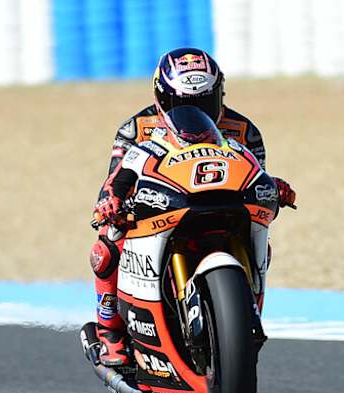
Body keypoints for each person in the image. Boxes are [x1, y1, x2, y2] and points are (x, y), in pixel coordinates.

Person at [87, 47, 296, 369]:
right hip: (158, 207)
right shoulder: (136, 128)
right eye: (181, 103)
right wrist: (110, 202)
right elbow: (116, 177)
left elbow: (257, 171)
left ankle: (242, 318)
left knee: (263, 247)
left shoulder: (244, 129)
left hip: (221, 203)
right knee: (108, 244)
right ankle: (108, 330)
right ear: (162, 96)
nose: (192, 111)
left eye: (202, 103)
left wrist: (272, 188)